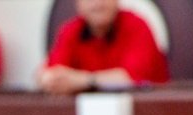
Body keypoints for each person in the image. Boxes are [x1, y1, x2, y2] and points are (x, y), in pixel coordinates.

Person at [37, 0, 168, 95]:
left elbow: (131, 80)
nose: (98, 3)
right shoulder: (70, 30)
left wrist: (82, 80)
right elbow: (51, 73)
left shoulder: (137, 26)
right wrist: (49, 79)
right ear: (78, 4)